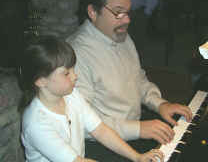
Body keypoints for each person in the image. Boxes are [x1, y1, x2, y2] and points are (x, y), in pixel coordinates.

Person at [66, 0, 193, 161]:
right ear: (93, 12)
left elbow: (138, 78)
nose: (127, 20)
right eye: (118, 13)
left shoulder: (121, 35)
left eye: (128, 12)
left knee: (185, 146)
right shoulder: (75, 55)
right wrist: (139, 129)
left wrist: (160, 104)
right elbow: (81, 123)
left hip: (133, 131)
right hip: (100, 145)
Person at [18, 35, 164, 162]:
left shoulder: (71, 95)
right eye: (66, 73)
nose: (75, 76)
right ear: (41, 81)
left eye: (73, 69)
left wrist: (137, 157)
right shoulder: (36, 123)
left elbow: (100, 130)